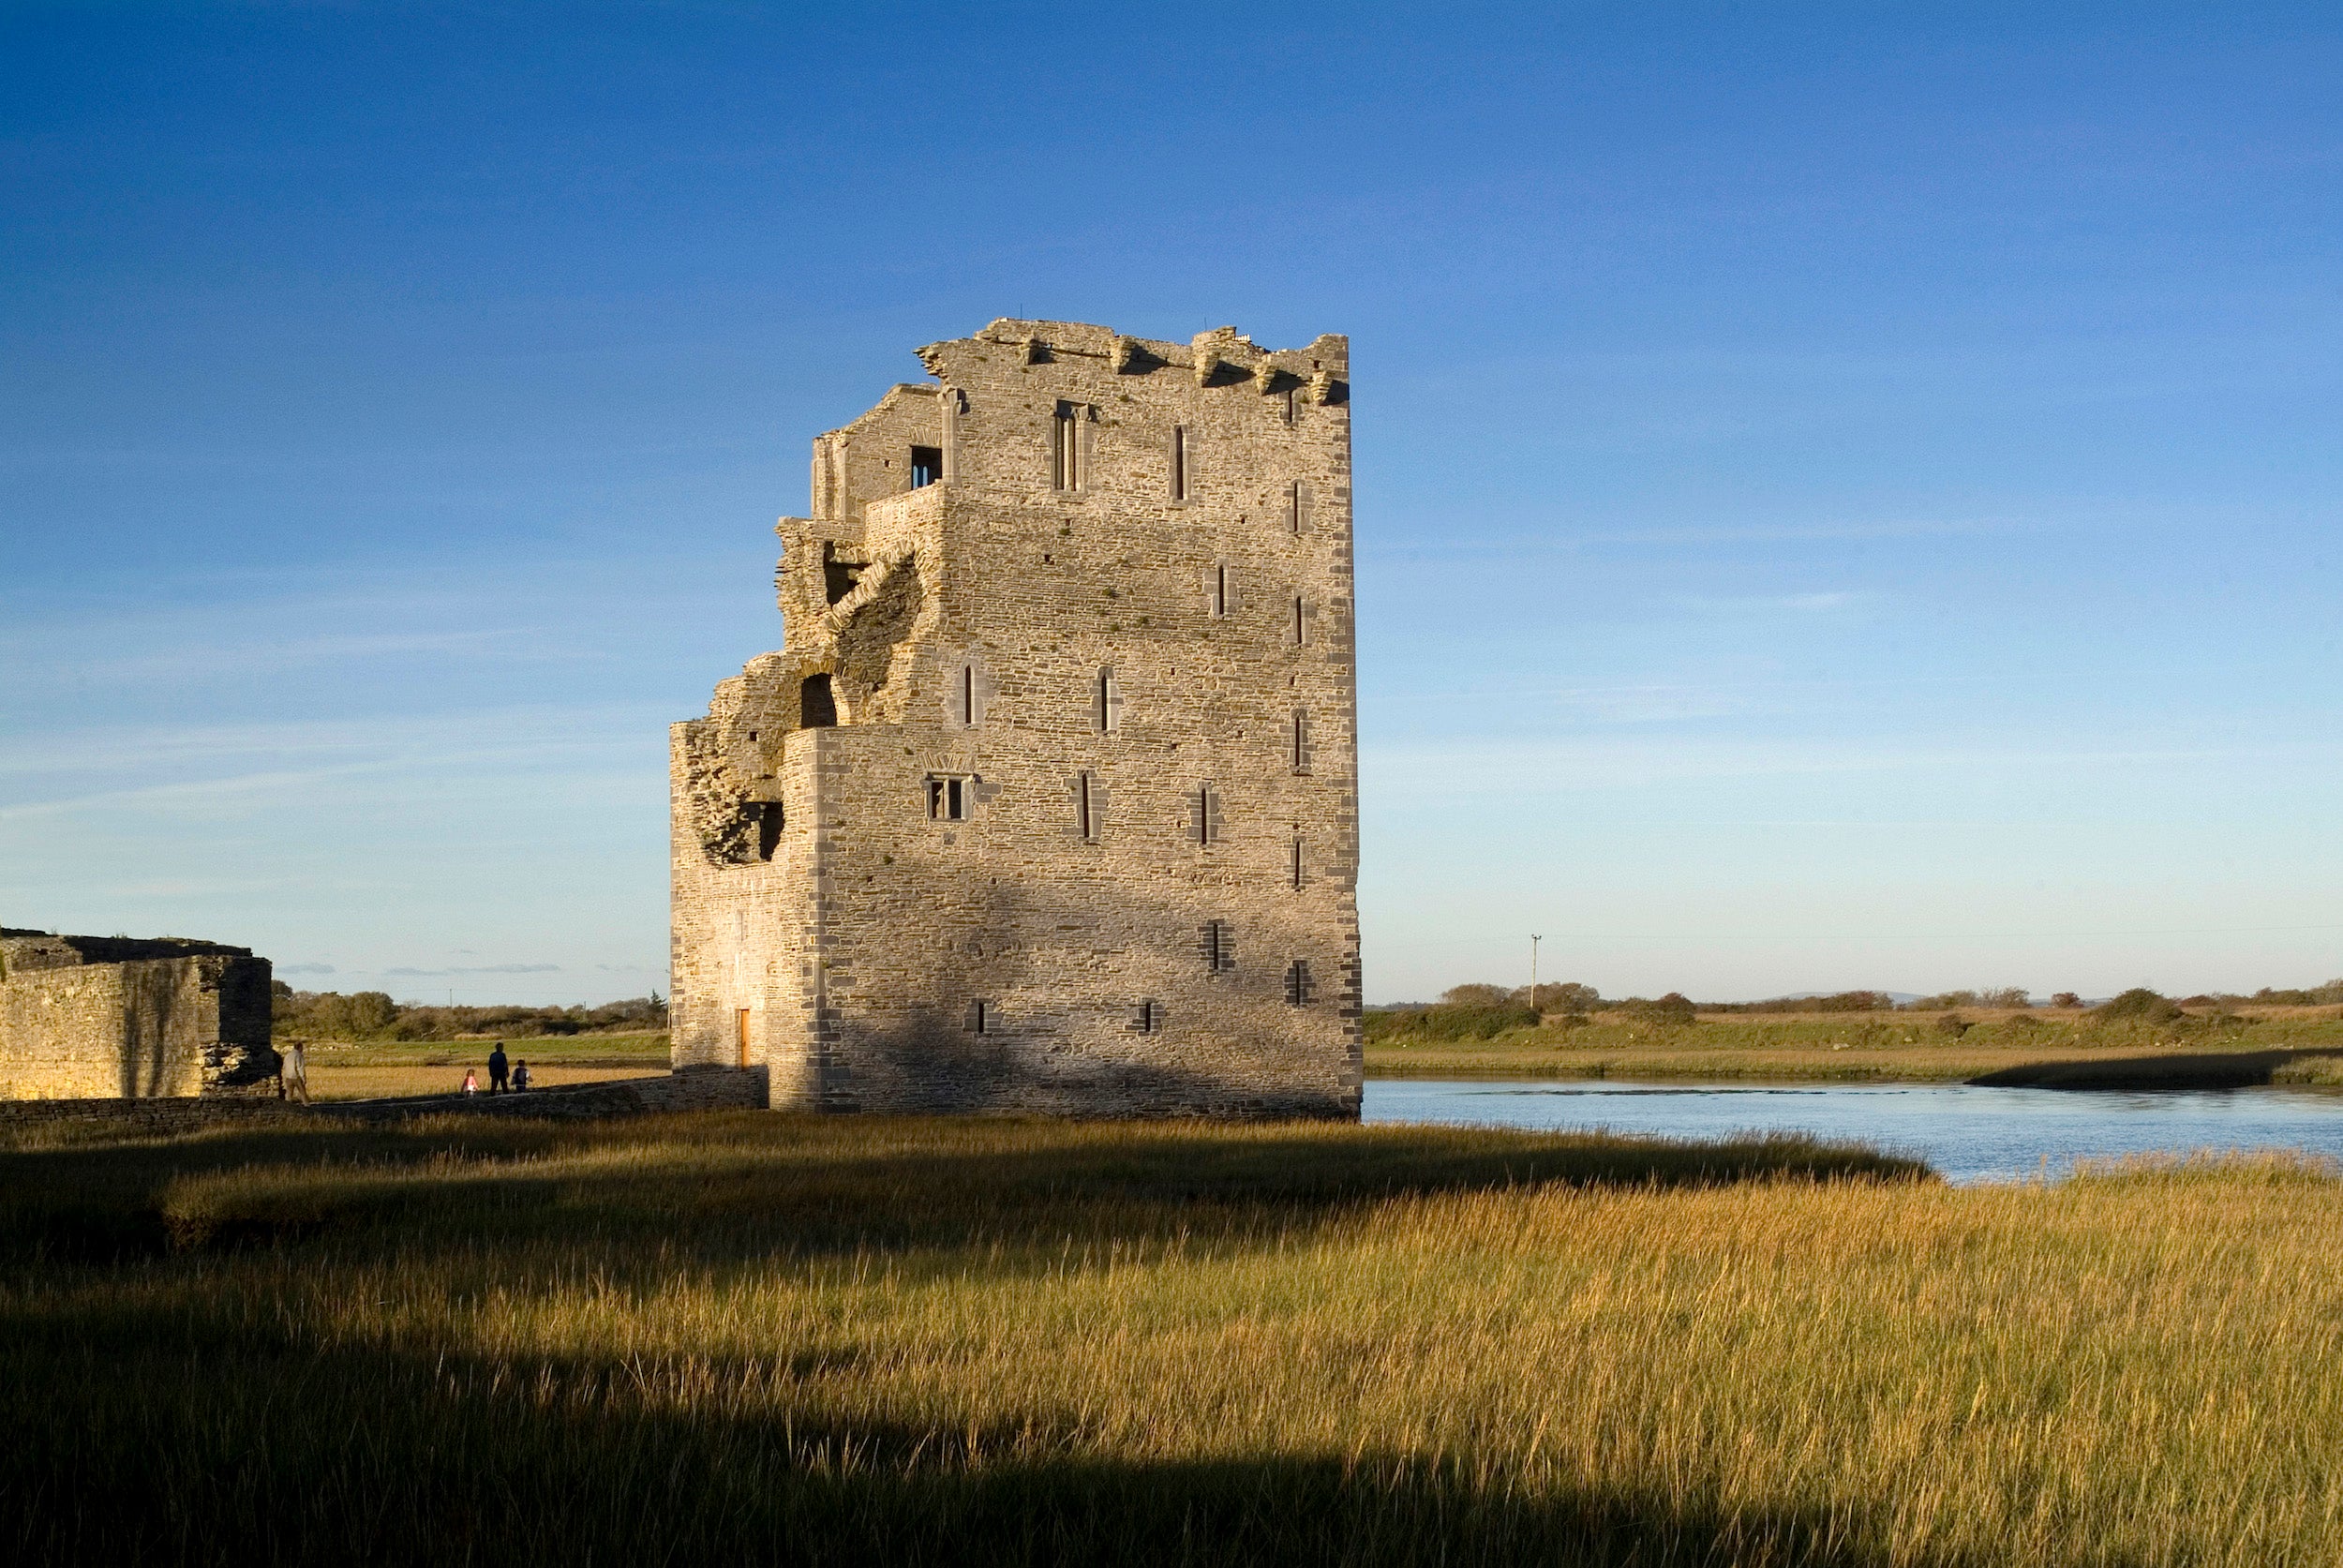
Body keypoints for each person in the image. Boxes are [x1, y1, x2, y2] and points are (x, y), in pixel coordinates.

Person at [279, 1040, 309, 1105]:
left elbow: (284, 1066)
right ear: (300, 1047)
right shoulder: (298, 1055)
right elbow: (300, 1067)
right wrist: (303, 1078)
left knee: (289, 1094)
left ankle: (287, 1106)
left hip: (288, 1076)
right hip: (296, 1076)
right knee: (302, 1093)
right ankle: (307, 1106)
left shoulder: (288, 1055)